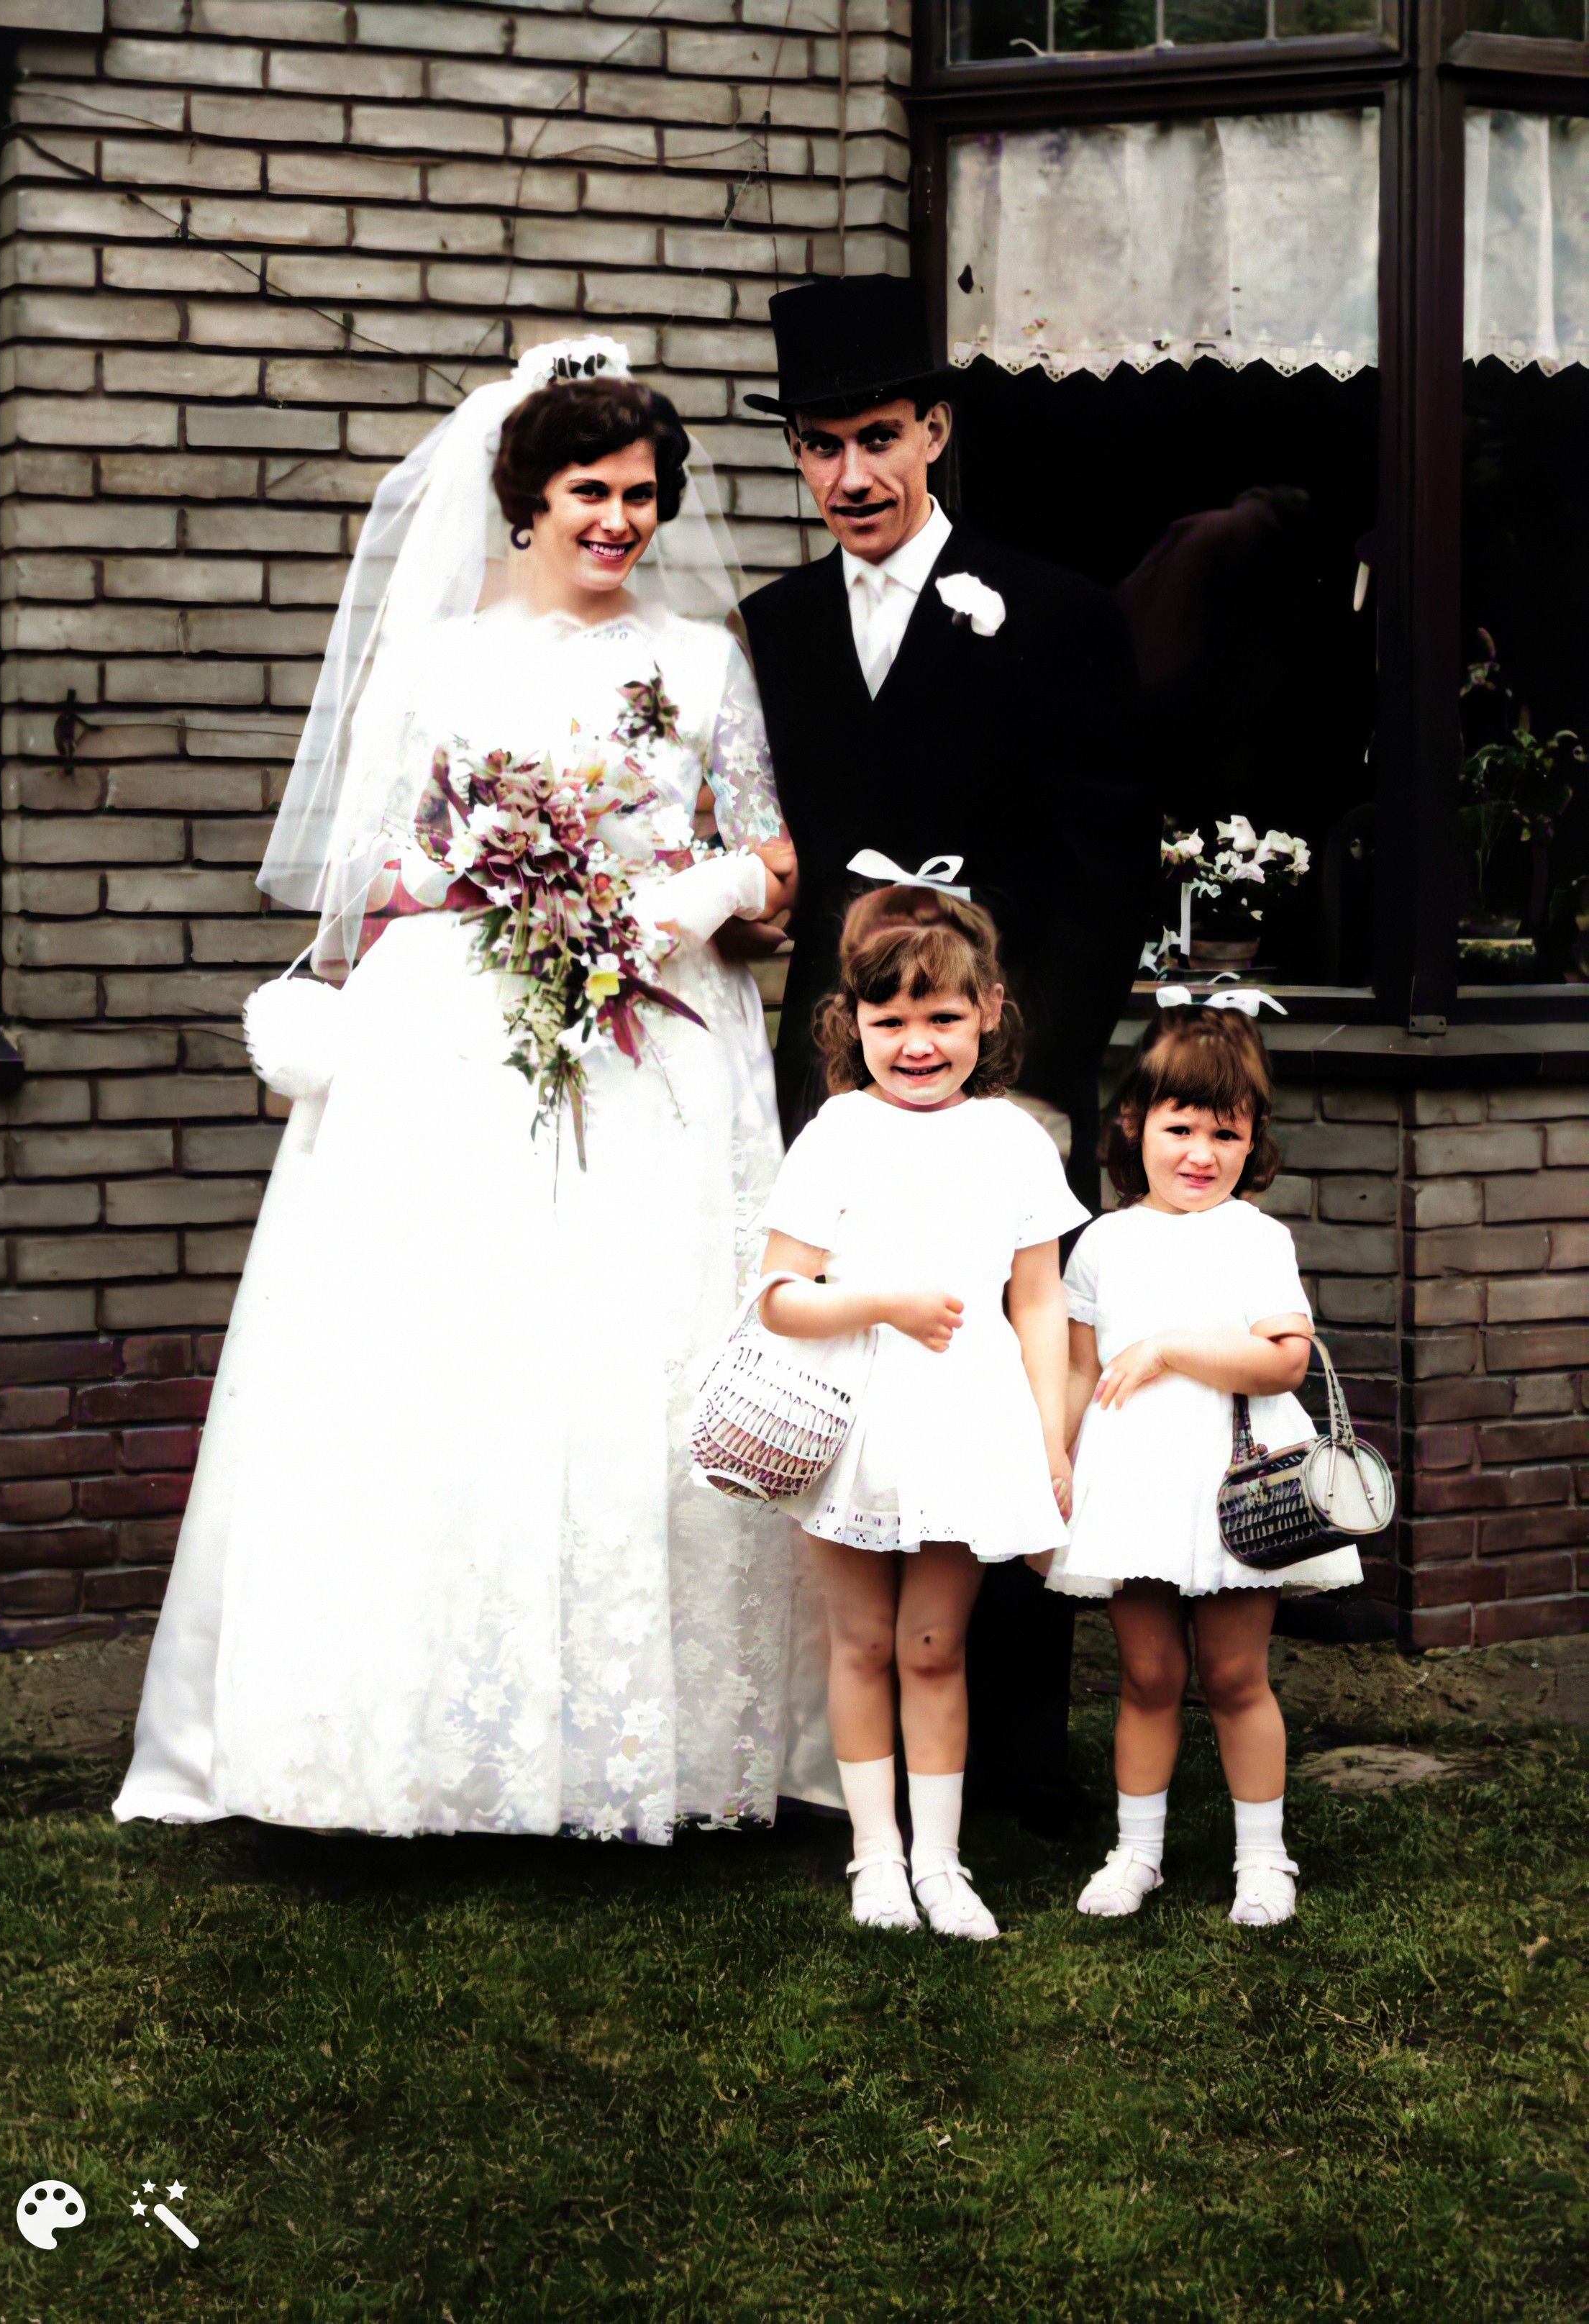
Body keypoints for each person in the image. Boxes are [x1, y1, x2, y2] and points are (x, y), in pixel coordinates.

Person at [114, 338, 804, 1843]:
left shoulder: (700, 660)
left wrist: (687, 901)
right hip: (466, 1040)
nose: (618, 520)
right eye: (589, 491)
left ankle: (650, 1743)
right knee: (452, 1346)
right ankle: (419, 1738)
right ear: (525, 497)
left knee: (635, 1344)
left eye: (641, 494)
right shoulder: (440, 658)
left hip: (660, 1043)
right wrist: (497, 875)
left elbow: (769, 850)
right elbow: (369, 864)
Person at [739, 272, 1158, 1823]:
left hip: (997, 1075)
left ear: (932, 431)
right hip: (835, 1076)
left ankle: (1013, 1765)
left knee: (1002, 1379)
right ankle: (842, 1752)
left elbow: (1107, 864)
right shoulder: (770, 628)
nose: (850, 475)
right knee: (852, 1376)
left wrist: (1032, 1082)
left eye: (877, 438)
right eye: (819, 446)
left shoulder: (1051, 608)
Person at [757, 878, 1088, 1937]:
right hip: (852, 1415)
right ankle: (876, 1858)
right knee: (861, 1641)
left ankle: (941, 1863)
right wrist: (882, 1302)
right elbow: (776, 1296)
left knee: (935, 1643)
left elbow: (1038, 1300)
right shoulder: (838, 1132)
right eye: (888, 1018)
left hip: (967, 1417)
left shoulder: (1012, 1140)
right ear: (850, 1020)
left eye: (941, 1017)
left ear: (987, 1012)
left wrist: (1049, 1435)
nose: (915, 1044)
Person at [1042, 998, 1362, 1926]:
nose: (1201, 1154)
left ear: (1252, 1139)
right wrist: (1056, 1457)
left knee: (1232, 1675)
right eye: (1180, 1128)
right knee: (1148, 1676)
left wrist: (1172, 1348)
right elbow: (1079, 1368)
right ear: (1134, 1123)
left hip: (1235, 1482)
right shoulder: (1102, 1243)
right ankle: (1135, 1852)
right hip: (1134, 1483)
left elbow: (1284, 1360)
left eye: (1226, 1133)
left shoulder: (1255, 1237)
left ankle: (1264, 1859)